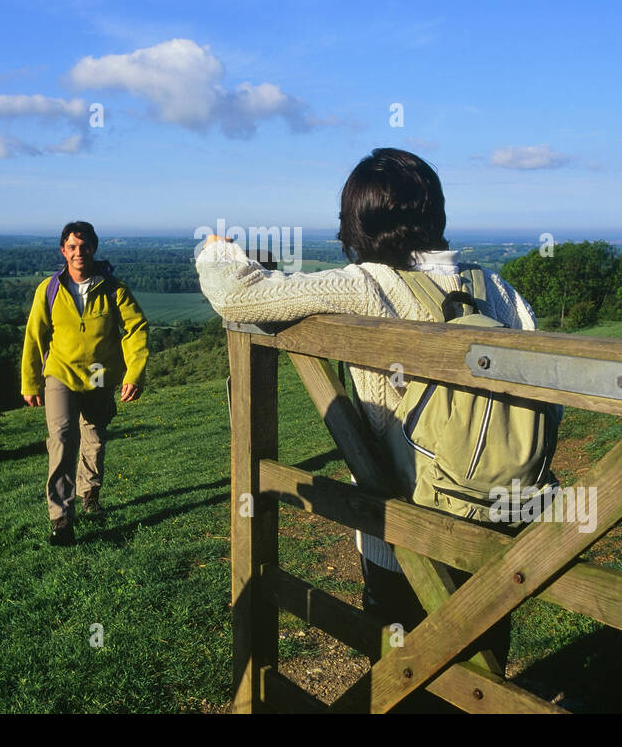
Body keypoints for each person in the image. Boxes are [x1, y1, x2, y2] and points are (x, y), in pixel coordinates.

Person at [195, 148, 544, 647]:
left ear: (356, 222)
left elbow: (237, 295)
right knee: (484, 658)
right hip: (501, 522)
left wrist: (217, 250)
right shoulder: (499, 289)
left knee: (401, 666)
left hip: (402, 533)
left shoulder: (370, 285)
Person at [21, 221, 149, 546]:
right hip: (60, 373)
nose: (79, 253)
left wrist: (134, 373)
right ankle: (61, 518)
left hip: (98, 374)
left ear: (94, 248)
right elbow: (35, 337)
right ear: (63, 251)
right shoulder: (48, 290)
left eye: (85, 246)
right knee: (63, 438)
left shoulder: (113, 288)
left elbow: (136, 329)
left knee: (93, 435)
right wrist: (30, 381)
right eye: (72, 247)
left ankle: (89, 492)